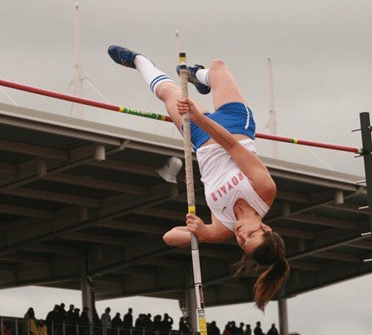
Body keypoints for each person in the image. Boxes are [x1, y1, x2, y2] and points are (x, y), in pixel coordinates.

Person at [107, 45, 290, 311]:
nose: (239, 234)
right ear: (266, 229)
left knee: (170, 93)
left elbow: (169, 237)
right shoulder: (264, 191)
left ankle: (139, 60)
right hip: (235, 128)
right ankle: (197, 76)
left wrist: (202, 234)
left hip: (202, 140)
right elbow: (232, 147)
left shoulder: (222, 228)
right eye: (249, 234)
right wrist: (198, 116)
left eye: (241, 242)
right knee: (217, 68)